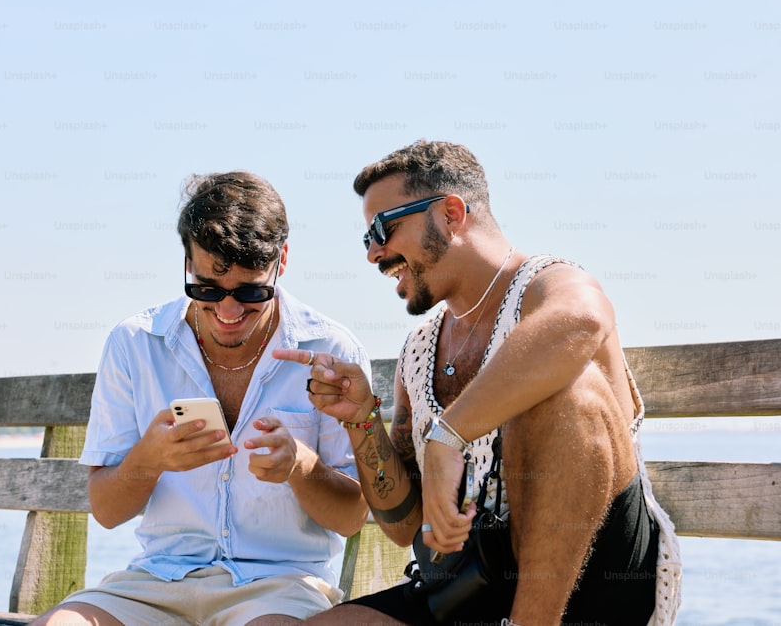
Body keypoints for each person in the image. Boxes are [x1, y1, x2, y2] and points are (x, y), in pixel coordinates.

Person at [275, 140, 682, 626]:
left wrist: (450, 434)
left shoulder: (546, 286)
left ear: (450, 213)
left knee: (571, 390)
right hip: (472, 586)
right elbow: (406, 526)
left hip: (595, 577)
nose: (374, 254)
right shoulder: (419, 350)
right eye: (367, 240)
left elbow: (584, 318)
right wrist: (362, 421)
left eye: (384, 229)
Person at [33, 171, 372, 626]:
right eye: (207, 290)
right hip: (154, 585)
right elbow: (108, 511)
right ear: (186, 263)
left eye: (251, 292)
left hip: (278, 588)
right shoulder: (135, 343)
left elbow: (351, 518)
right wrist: (147, 459)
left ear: (282, 261)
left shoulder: (331, 351)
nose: (228, 312)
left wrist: (299, 467)